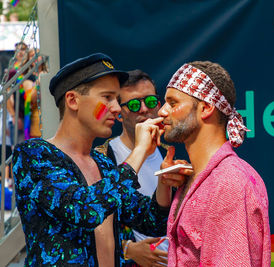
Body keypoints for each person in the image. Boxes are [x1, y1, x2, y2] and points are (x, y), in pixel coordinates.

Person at [12, 53, 181, 266]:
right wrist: (139, 152)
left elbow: (152, 221)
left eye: (117, 99)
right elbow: (84, 210)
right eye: (107, 97)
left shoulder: (103, 164)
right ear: (73, 100)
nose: (117, 108)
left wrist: (164, 182)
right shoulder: (33, 155)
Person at [158, 61, 271, 266]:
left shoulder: (230, 181)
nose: (161, 112)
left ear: (206, 108)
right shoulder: (196, 177)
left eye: (173, 103)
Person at [97, 70, 183, 266]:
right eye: (134, 105)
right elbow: (90, 222)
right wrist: (127, 249)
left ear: (159, 106)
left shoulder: (173, 151)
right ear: (119, 113)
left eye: (151, 102)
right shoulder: (103, 158)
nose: (144, 109)